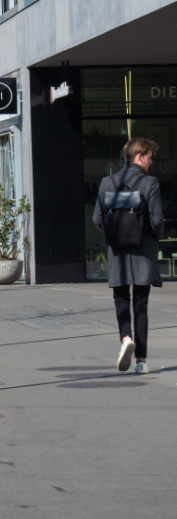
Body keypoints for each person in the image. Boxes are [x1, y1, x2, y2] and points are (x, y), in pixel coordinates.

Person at [93, 137, 164, 374]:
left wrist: (113, 236)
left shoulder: (107, 183)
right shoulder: (150, 183)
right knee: (141, 304)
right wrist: (153, 237)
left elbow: (96, 218)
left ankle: (125, 338)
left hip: (117, 254)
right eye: (150, 157)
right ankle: (141, 361)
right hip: (143, 252)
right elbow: (156, 220)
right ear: (139, 156)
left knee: (121, 299)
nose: (151, 162)